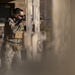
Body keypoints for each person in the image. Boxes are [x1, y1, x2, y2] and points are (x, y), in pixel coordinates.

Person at [0, 8, 26, 75]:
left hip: (16, 46)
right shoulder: (9, 21)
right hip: (9, 46)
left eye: (23, 16)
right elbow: (13, 30)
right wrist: (21, 23)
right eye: (21, 16)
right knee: (5, 66)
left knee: (18, 66)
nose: (22, 17)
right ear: (16, 15)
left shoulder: (18, 22)